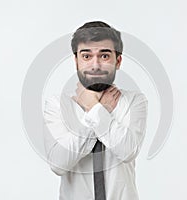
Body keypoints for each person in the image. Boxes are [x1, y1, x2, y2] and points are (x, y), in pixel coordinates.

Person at [43, 21, 148, 200]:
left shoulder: (134, 101)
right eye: (86, 56)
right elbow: (58, 163)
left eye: (104, 56)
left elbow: (128, 151)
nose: (95, 65)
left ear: (118, 61)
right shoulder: (57, 105)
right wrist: (101, 110)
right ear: (76, 61)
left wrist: (93, 108)